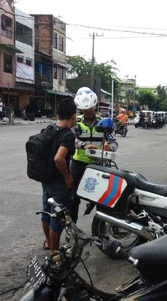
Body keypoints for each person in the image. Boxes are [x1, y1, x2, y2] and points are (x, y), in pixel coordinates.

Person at [71, 87, 118, 223]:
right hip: (78, 163)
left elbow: (114, 143)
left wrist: (109, 146)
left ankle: (100, 229)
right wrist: (83, 145)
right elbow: (70, 140)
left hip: (98, 164)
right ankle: (72, 228)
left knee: (102, 197)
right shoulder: (76, 122)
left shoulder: (104, 122)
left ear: (95, 106)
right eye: (85, 110)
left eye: (91, 109)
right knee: (73, 197)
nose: (88, 112)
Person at [41, 99, 77, 252]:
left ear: (57, 115)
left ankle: (48, 242)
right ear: (73, 116)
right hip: (59, 183)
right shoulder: (67, 135)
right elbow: (58, 158)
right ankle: (54, 253)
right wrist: (68, 176)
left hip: (46, 179)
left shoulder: (49, 129)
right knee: (57, 218)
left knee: (46, 212)